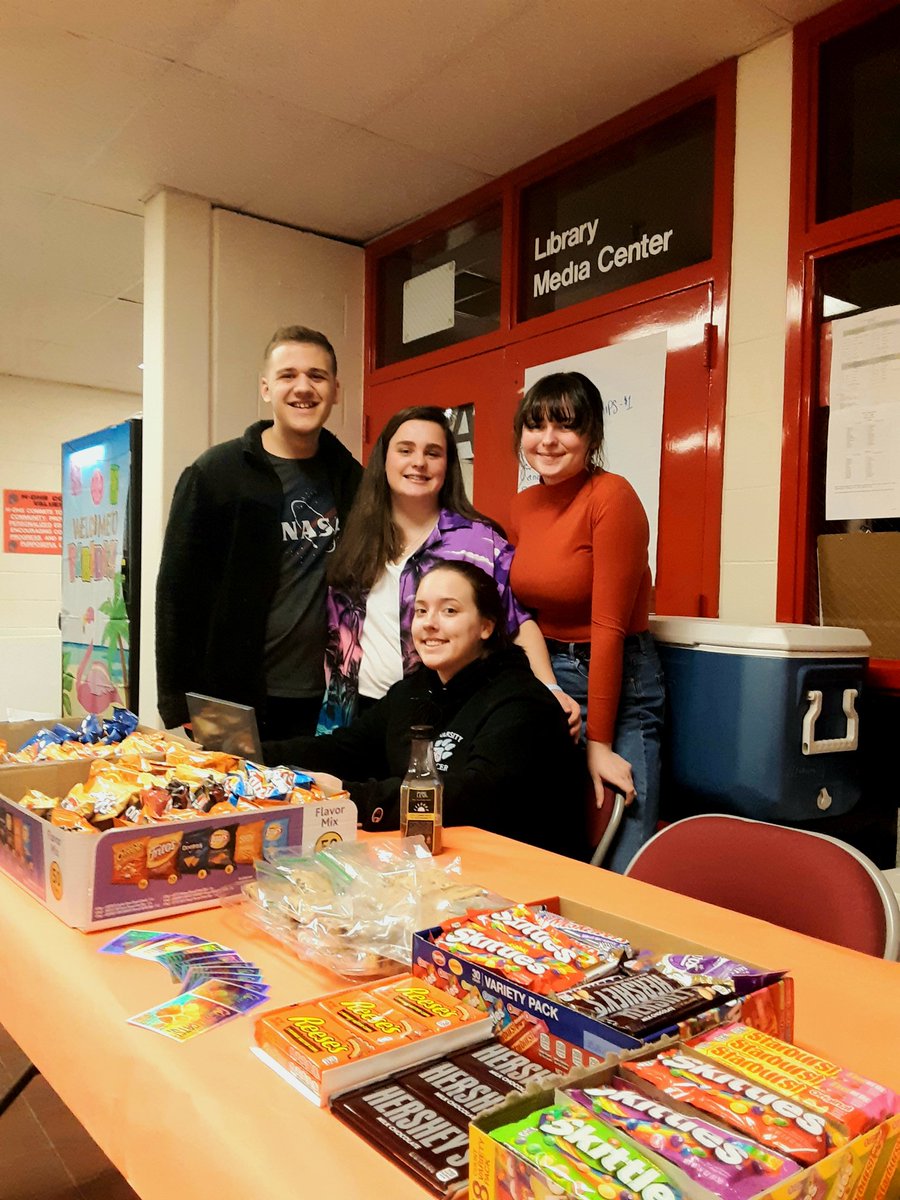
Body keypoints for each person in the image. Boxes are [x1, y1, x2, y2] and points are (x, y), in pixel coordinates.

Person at [263, 562, 589, 859]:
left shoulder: (522, 702)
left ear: (486, 626)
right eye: (420, 611)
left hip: (520, 876)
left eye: (449, 611)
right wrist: (251, 755)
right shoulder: (412, 691)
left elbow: (470, 798)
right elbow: (343, 749)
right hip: (434, 862)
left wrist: (350, 796)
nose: (429, 624)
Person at [318, 405, 580, 735]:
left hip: (446, 717)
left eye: (433, 453)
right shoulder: (355, 539)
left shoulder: (480, 541)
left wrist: (550, 688)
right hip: (357, 716)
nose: (418, 462)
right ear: (384, 460)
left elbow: (517, 623)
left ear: (447, 466)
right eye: (405, 450)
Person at [155, 325, 362, 739]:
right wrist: (178, 702)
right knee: (234, 803)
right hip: (229, 699)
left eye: (316, 376)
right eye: (288, 375)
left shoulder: (352, 478)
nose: (303, 387)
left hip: (328, 700)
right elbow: (177, 594)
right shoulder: (216, 474)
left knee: (314, 801)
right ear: (266, 388)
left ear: (336, 390)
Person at [507, 371, 664, 873]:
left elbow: (610, 628)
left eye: (565, 426)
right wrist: (545, 685)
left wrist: (599, 742)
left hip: (616, 677)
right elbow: (526, 612)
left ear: (592, 435)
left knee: (622, 852)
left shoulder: (611, 496)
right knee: (553, 836)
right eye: (536, 425)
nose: (548, 439)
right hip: (547, 678)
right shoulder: (525, 504)